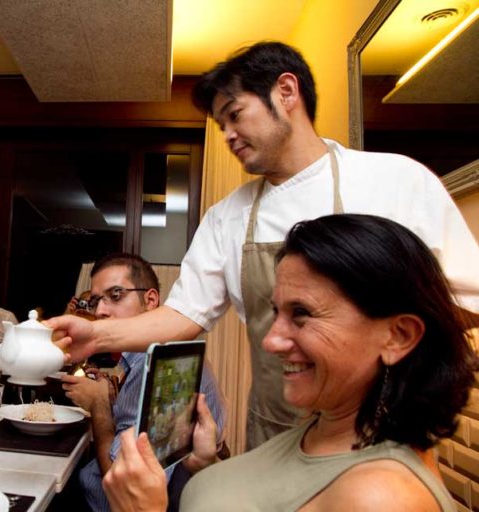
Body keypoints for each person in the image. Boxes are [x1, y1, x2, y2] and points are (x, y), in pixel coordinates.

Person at [46, 41, 479, 449]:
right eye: (221, 125)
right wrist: (96, 335)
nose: (228, 135)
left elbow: (462, 303)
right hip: (274, 432)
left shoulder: (395, 180)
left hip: (383, 432)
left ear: (286, 92)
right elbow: (182, 316)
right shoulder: (227, 217)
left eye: (235, 115)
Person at [103, 214, 476, 511]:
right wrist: (208, 462)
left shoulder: (384, 497)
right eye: (276, 312)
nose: (271, 340)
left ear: (399, 336)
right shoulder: (322, 425)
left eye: (302, 314)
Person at [61, 253, 226, 512]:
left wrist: (99, 404)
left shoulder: (160, 364)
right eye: (96, 301)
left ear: (150, 300)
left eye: (115, 295)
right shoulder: (138, 358)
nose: (101, 311)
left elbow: (122, 478)